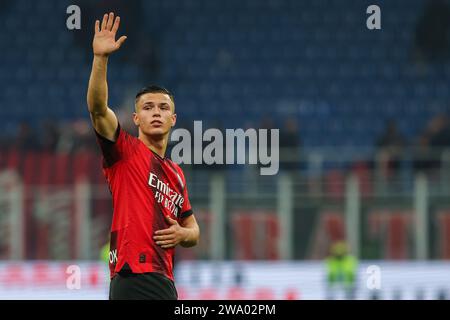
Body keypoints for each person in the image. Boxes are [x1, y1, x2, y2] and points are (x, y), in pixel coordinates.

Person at [87, 12, 200, 300]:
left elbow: (193, 228)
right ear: (136, 118)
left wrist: (182, 235)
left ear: (173, 119)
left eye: (163, 108)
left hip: (165, 280)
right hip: (130, 276)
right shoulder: (124, 152)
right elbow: (98, 109)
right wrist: (101, 59)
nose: (156, 113)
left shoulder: (176, 173)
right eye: (148, 107)